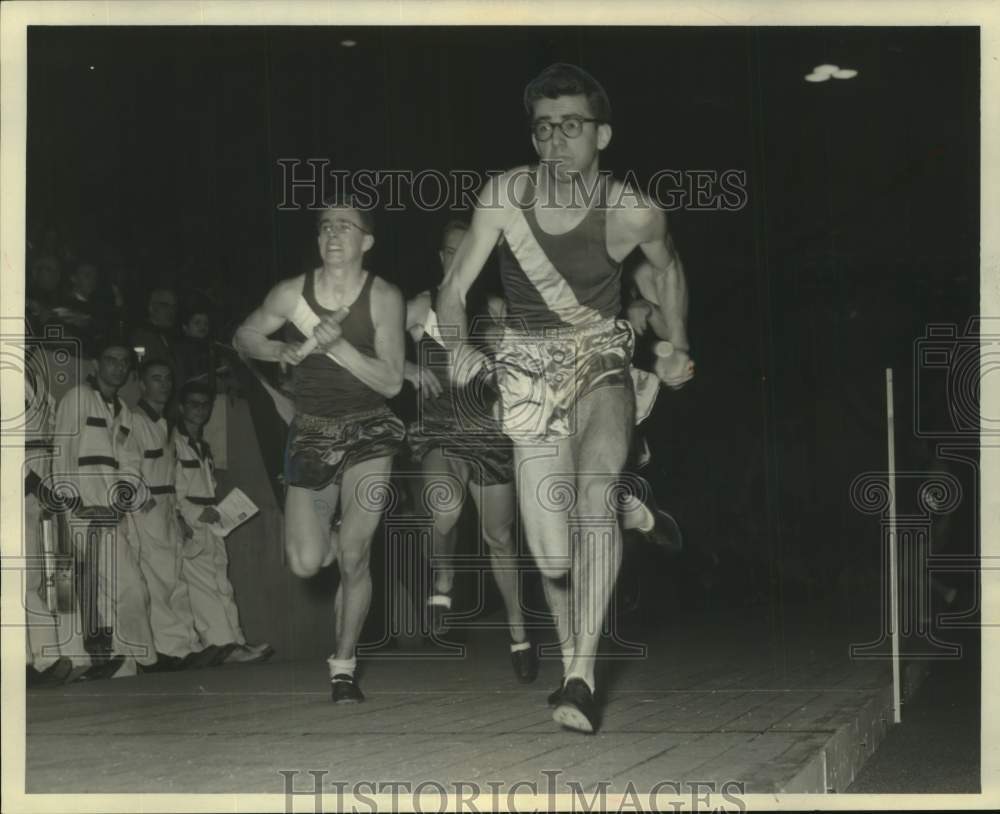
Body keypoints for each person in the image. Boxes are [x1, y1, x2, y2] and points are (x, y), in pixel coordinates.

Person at [436, 63, 694, 733]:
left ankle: (580, 676)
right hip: (528, 367)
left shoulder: (633, 209)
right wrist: (459, 346)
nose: (555, 141)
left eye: (571, 126)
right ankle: (630, 504)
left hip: (600, 357)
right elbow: (453, 288)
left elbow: (668, 269)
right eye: (544, 129)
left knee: (592, 494)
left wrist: (677, 344)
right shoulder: (504, 196)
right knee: (553, 557)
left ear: (602, 135)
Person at [233, 196, 405, 703]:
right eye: (326, 226)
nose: (333, 234)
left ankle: (343, 666)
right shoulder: (292, 294)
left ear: (366, 242)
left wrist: (339, 348)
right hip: (311, 432)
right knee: (307, 562)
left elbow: (392, 382)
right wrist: (278, 348)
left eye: (346, 226)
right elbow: (244, 336)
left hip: (370, 431)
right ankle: (331, 529)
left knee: (355, 555)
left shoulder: (384, 297)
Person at [404, 219, 536, 682]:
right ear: (440, 257)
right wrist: (405, 368)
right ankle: (444, 577)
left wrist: (507, 351)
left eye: (468, 250)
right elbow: (380, 345)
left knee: (500, 538)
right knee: (444, 507)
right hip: (440, 429)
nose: (458, 258)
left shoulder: (497, 309)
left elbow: (527, 371)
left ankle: (519, 633)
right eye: (450, 251)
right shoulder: (420, 304)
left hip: (488, 435)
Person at [51, 339, 158, 679]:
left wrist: (121, 504)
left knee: (130, 588)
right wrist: (72, 506)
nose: (118, 366)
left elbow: (130, 464)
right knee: (70, 592)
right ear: (96, 365)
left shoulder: (124, 412)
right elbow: (62, 451)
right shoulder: (78, 397)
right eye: (111, 359)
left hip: (110, 514)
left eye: (124, 361)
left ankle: (125, 661)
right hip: (78, 512)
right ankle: (78, 661)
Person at [131, 360, 224, 670]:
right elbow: (127, 465)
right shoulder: (135, 420)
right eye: (156, 378)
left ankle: (187, 646)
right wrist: (142, 501)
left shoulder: (165, 425)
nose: (164, 385)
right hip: (148, 510)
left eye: (167, 379)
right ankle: (171, 650)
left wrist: (180, 516)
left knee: (175, 580)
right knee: (157, 583)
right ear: (142, 384)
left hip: (169, 509)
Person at [173, 380, 274, 665]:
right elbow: (172, 492)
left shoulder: (202, 447)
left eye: (205, 405)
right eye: (193, 404)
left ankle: (236, 642)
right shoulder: (174, 444)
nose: (199, 410)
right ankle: (223, 646)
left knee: (222, 585)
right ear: (181, 408)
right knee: (204, 589)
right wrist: (192, 515)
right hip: (193, 525)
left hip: (213, 523)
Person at [129, 287, 179, 372]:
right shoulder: (142, 335)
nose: (171, 311)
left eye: (174, 306)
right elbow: (145, 367)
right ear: (151, 308)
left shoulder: (170, 335)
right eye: (165, 305)